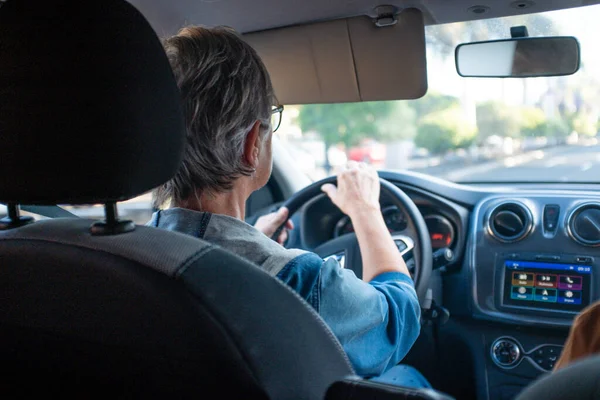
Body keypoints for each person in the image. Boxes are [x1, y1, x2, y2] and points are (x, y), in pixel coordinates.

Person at [148, 25, 428, 388]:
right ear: (252, 144)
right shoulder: (298, 281)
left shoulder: (122, 254)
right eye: (271, 123)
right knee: (409, 378)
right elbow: (399, 320)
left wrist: (249, 245)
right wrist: (365, 210)